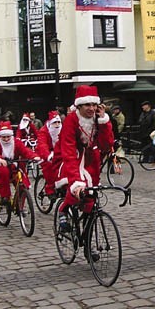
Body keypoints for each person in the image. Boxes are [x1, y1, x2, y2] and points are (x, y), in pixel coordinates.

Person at [56, 85, 114, 225]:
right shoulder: (71, 120)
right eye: (88, 105)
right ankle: (63, 209)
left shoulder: (97, 119)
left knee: (91, 194)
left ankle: (87, 233)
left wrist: (103, 122)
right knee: (78, 187)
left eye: (94, 105)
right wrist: (76, 180)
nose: (92, 109)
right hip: (72, 157)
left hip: (91, 159)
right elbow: (68, 150)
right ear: (79, 106)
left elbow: (106, 145)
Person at [0, 120, 40, 206]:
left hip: (14, 165)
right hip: (1, 165)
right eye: (3, 137)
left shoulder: (16, 142)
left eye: (8, 136)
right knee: (3, 172)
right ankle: (5, 197)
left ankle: (20, 205)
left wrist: (34, 156)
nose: (6, 139)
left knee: (23, 184)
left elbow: (25, 150)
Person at [35, 111, 62, 196]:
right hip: (44, 153)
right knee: (49, 167)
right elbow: (42, 145)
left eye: (59, 122)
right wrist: (48, 156)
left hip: (58, 152)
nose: (57, 125)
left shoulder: (63, 129)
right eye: (55, 123)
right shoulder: (44, 131)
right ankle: (49, 188)